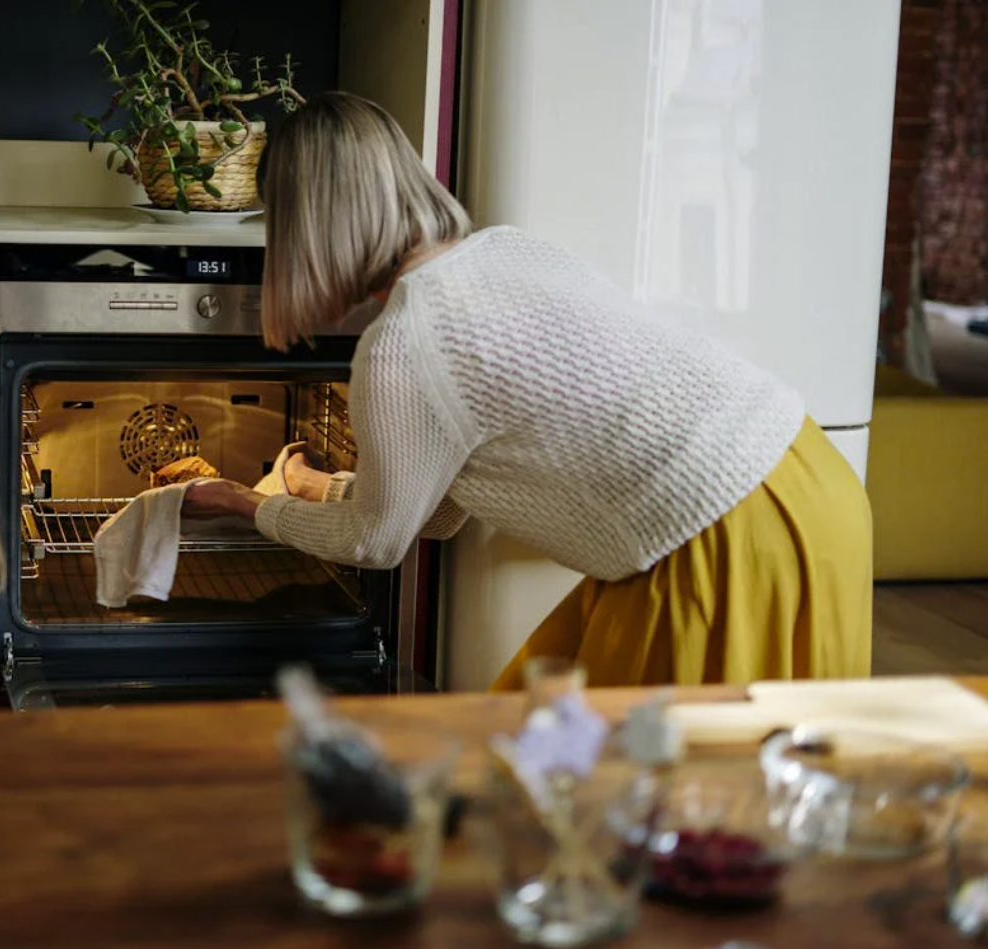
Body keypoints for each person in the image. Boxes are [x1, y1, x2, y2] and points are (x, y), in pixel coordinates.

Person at [183, 91, 872, 690]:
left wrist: (242, 504)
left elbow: (376, 542)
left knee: (660, 799)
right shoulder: (510, 250)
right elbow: (438, 508)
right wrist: (308, 486)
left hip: (719, 544)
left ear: (306, 223)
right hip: (808, 484)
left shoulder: (402, 342)